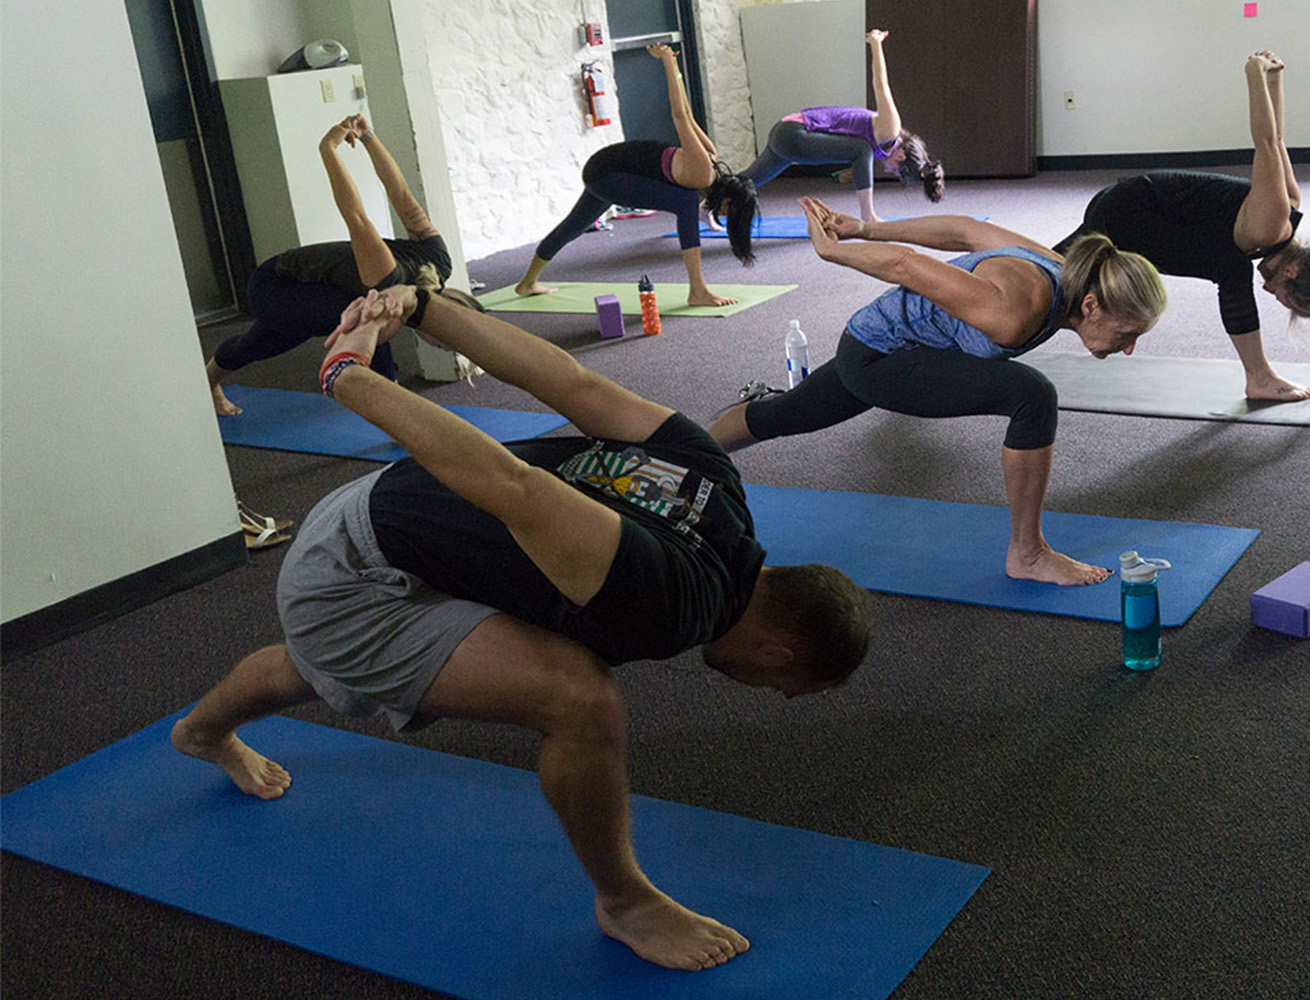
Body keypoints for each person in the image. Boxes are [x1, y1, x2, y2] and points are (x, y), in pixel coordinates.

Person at [172, 282, 872, 971]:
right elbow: (517, 488)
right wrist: (346, 376)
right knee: (579, 700)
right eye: (785, 687)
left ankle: (202, 731)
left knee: (331, 664)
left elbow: (572, 384)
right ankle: (624, 902)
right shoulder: (675, 607)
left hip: (394, 517)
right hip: (354, 578)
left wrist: (425, 307)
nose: (766, 691)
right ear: (778, 652)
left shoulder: (718, 483)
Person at [709, 197, 1166, 587]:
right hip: (881, 359)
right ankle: (1028, 554)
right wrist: (833, 250)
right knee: (1033, 396)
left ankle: (685, 445)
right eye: (1127, 333)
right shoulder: (1018, 310)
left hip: (876, 342)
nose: (1128, 348)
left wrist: (866, 226)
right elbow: (906, 266)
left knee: (785, 414)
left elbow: (965, 230)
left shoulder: (1063, 269)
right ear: (1091, 305)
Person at [1053, 52, 1310, 401]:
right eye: (1283, 297)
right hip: (1127, 215)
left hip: (1124, 207)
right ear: (1291, 271)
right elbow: (1264, 143)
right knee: (1231, 268)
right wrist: (1253, 74)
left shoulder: (1289, 204)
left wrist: (1274, 79)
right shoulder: (1270, 226)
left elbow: (1278, 141)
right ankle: (1259, 377)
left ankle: (1004, 267)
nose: (1271, 295)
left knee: (1049, 265)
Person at [207, 114, 476, 417]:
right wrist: (328, 149)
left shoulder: (438, 261)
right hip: (273, 286)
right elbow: (355, 215)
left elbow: (400, 191)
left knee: (263, 343)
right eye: (447, 341)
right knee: (371, 320)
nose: (446, 347)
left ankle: (208, 380)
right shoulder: (389, 278)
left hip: (315, 287)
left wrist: (368, 137)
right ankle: (398, 415)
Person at [514, 44, 758, 307]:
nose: (723, 217)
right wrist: (666, 62)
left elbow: (688, 113)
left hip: (609, 169)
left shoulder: (712, 157)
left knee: (574, 225)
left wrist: (675, 66)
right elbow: (679, 116)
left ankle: (527, 283)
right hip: (607, 173)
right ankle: (698, 291)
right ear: (728, 202)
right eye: (729, 214)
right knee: (685, 202)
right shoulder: (702, 174)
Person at [743, 30, 943, 223]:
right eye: (898, 171)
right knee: (862, 150)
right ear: (901, 156)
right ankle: (868, 215)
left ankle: (711, 205)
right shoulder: (890, 129)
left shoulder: (885, 142)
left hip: (785, 133)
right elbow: (881, 83)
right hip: (795, 134)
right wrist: (876, 43)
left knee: (746, 181)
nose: (892, 172)